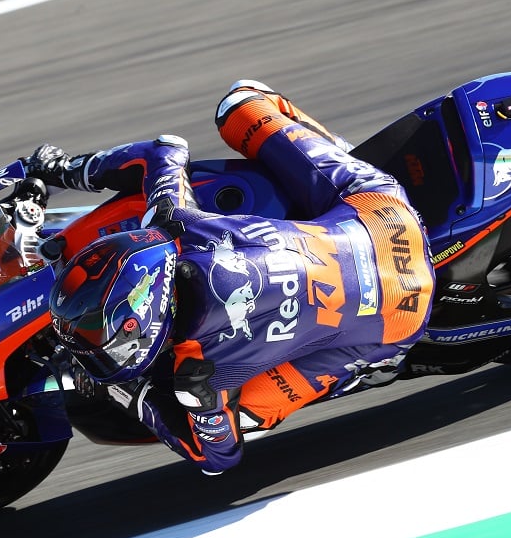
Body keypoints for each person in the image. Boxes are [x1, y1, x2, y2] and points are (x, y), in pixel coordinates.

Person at [23, 80, 435, 475]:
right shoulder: (177, 223)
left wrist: (143, 395)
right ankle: (336, 157)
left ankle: (375, 365)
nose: (94, 345)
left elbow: (217, 457)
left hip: (400, 314)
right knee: (239, 103)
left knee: (249, 419)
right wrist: (65, 171)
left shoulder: (201, 364)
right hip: (382, 216)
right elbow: (166, 148)